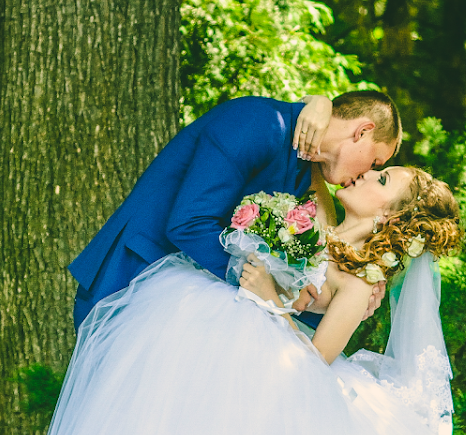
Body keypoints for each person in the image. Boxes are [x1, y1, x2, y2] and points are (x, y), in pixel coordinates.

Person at [25, 164, 466, 435]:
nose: (367, 173)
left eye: (382, 181)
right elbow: (316, 161)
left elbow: (320, 358)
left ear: (391, 219)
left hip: (278, 365)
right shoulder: (316, 216)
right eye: (379, 168)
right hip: (216, 324)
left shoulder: (360, 284)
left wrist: (272, 298)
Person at [68, 91, 402, 327]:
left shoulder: (306, 175)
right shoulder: (258, 122)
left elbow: (288, 277)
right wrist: (265, 281)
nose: (366, 173)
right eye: (375, 161)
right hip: (131, 280)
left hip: (192, 310)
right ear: (362, 131)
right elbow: (189, 223)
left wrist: (340, 303)